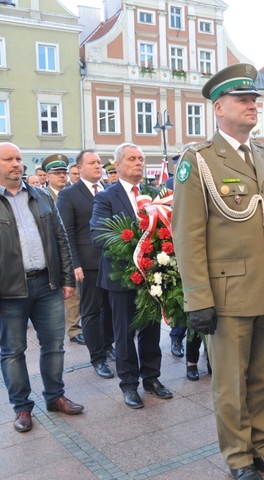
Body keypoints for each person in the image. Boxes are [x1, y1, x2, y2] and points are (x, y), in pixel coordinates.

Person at [171, 63, 264, 480]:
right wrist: (197, 298)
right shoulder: (199, 161)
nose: (252, 105)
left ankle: (260, 447)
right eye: (243, 99)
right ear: (218, 107)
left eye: (254, 99)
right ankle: (239, 457)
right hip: (227, 294)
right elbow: (187, 235)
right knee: (231, 385)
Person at [0, 142, 83, 433]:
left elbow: (60, 240)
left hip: (47, 285)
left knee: (53, 346)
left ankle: (55, 397)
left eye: (18, 158)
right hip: (7, 293)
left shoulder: (41, 197)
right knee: (13, 351)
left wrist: (66, 279)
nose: (16, 163)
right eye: (8, 159)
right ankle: (22, 407)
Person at [91, 143, 172, 409]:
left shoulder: (151, 193)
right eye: (132, 159)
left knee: (151, 329)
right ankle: (129, 385)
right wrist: (135, 245)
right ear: (118, 164)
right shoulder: (106, 197)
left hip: (152, 275)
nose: (138, 162)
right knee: (124, 333)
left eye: (141, 158)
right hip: (121, 277)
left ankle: (152, 378)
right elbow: (99, 234)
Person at [57, 149, 116, 380]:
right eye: (92, 163)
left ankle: (108, 345)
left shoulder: (109, 190)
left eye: (99, 162)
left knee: (110, 308)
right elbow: (66, 232)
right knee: (91, 311)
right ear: (79, 168)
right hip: (87, 263)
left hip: (111, 260)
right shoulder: (69, 194)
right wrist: (75, 263)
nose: (98, 166)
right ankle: (97, 357)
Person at [43, 155, 85, 347]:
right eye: (56, 173)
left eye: (64, 173)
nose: (61, 176)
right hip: (50, 251)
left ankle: (74, 329)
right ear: (47, 176)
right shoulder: (41, 196)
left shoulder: (72, 193)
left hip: (71, 250)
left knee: (74, 291)